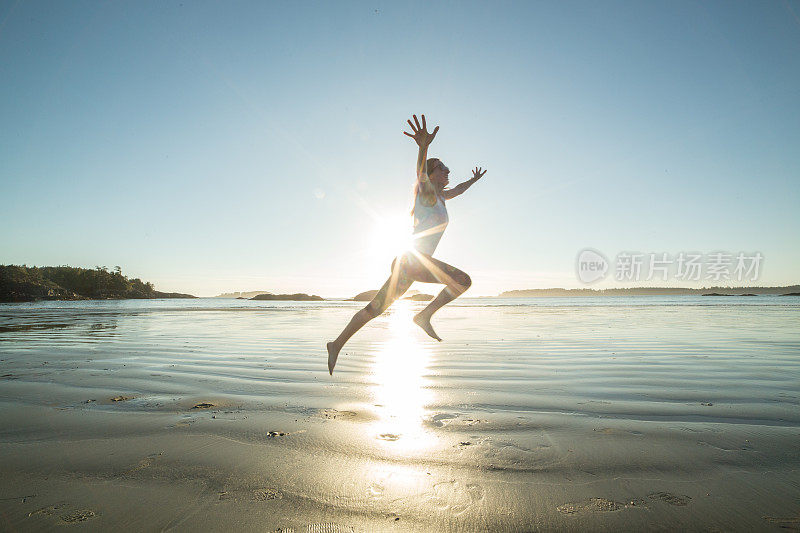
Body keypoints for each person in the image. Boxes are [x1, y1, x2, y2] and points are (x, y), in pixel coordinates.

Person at [326, 114, 487, 375]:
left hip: (409, 263)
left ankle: (336, 344)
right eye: (443, 167)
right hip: (413, 261)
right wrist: (423, 147)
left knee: (375, 308)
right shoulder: (425, 192)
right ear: (433, 172)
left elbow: (458, 189)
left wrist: (474, 180)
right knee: (462, 281)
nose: (448, 171)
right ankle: (424, 316)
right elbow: (420, 172)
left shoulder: (442, 196)